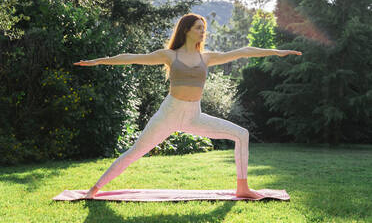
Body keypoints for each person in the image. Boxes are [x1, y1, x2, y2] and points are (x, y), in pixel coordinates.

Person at [74, 13, 302, 199]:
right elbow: (132, 57)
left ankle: (243, 187)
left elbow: (243, 51)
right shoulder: (169, 55)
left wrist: (277, 52)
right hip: (168, 115)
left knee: (241, 134)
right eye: (198, 28)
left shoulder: (207, 57)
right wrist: (98, 61)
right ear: (186, 30)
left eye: (204, 28)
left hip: (194, 116)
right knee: (135, 153)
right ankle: (93, 190)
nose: (203, 32)